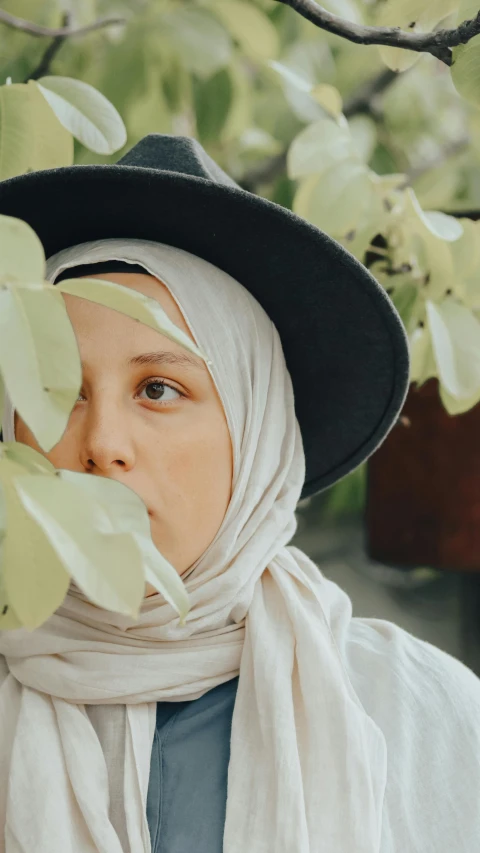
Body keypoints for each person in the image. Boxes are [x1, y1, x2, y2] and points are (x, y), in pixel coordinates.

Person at [0, 134, 479, 853]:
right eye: (54, 388)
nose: (101, 441)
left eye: (158, 388)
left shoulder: (423, 716)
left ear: (256, 437)